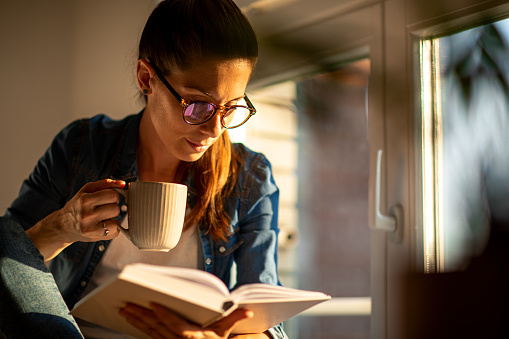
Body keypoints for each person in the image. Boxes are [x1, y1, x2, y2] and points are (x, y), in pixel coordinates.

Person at [2, 0, 287, 338]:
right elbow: (10, 268)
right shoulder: (83, 146)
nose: (215, 130)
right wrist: (62, 227)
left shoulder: (249, 177)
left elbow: (266, 321)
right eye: (198, 105)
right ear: (146, 78)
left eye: (231, 108)